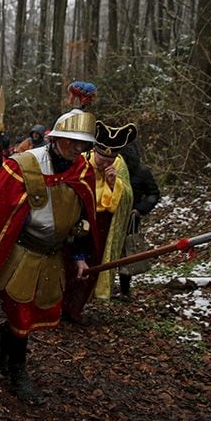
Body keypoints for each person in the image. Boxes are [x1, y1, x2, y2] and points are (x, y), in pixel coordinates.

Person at [0, 107, 100, 406]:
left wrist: (80, 256)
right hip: (22, 252)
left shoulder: (82, 170)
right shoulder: (24, 165)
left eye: (82, 144)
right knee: (21, 315)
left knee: (47, 312)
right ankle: (18, 373)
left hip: (53, 255)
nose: (76, 149)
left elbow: (82, 219)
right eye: (71, 142)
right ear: (55, 139)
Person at [62, 121, 136, 322]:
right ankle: (60, 303)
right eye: (101, 159)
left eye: (108, 161)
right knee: (70, 261)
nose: (104, 164)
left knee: (93, 265)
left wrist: (115, 184)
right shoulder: (82, 161)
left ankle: (75, 308)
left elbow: (128, 195)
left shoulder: (119, 165)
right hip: (80, 218)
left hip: (103, 223)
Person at [117, 141, 161, 300]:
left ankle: (124, 289)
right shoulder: (111, 168)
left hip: (130, 219)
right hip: (109, 216)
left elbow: (153, 194)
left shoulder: (142, 172)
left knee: (127, 253)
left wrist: (140, 209)